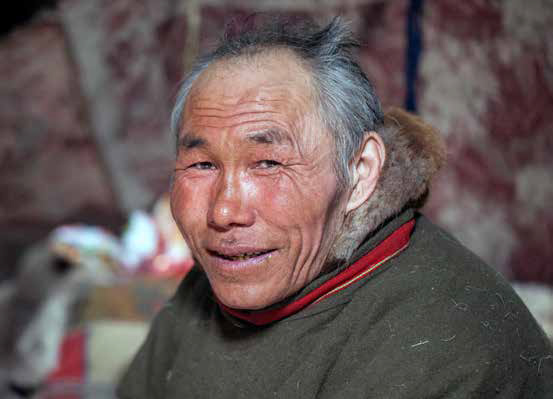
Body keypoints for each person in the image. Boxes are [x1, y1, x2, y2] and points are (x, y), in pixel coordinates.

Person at [117, 16, 552, 398]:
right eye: (202, 163)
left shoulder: (448, 344)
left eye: (269, 163)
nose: (225, 211)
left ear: (360, 172)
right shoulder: (227, 271)